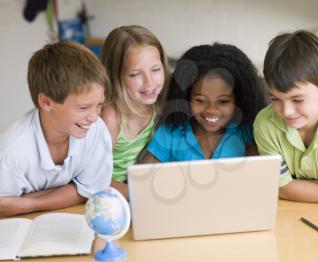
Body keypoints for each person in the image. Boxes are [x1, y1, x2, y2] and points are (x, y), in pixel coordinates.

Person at [0, 42, 112, 217]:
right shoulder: (12, 151)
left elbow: (90, 191)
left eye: (99, 105)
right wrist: (69, 190)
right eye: (83, 108)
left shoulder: (95, 130)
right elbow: (3, 205)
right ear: (46, 102)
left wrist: (26, 202)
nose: (94, 116)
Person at [253, 30, 318, 204]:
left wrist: (294, 186)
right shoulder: (265, 123)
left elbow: (285, 187)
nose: (287, 111)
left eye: (298, 99)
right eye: (275, 98)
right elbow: (280, 188)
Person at [139, 43, 267, 163]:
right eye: (200, 100)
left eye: (223, 101)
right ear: (186, 97)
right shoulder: (171, 133)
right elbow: (143, 178)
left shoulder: (246, 131)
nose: (212, 110)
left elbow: (259, 172)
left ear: (238, 99)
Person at [100, 25, 170, 199]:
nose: (149, 82)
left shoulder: (160, 105)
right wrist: (140, 194)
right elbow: (92, 178)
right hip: (111, 195)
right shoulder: (111, 117)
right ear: (115, 75)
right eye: (135, 74)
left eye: (155, 70)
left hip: (140, 190)